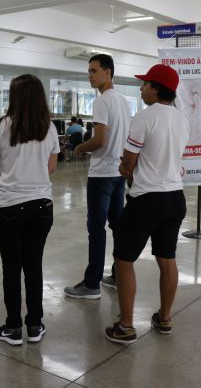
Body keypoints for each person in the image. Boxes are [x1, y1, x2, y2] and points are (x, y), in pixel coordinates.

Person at [104, 64, 190, 344]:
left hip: (146, 199)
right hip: (175, 197)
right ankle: (164, 318)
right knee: (167, 258)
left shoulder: (144, 117)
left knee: (123, 259)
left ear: (156, 88)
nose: (141, 88)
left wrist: (125, 169)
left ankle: (126, 326)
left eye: (145, 84)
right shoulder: (182, 119)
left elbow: (129, 162)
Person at [0, 74, 60, 346]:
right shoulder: (49, 128)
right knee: (34, 265)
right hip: (41, 205)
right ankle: (35, 325)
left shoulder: (0, 126)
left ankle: (13, 327)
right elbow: (52, 168)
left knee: (11, 267)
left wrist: (10, 176)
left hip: (9, 206)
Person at [64, 54, 131, 299]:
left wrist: (80, 148)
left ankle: (92, 284)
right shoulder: (123, 101)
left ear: (108, 72)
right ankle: (118, 275)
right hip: (118, 172)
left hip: (102, 173)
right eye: (89, 71)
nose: (90, 75)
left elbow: (100, 140)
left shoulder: (102, 101)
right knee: (117, 226)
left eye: (94, 71)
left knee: (96, 228)